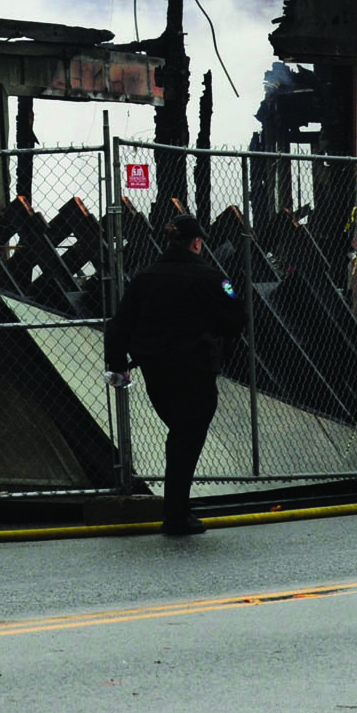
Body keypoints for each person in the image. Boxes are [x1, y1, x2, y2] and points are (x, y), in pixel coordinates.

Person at [104, 213, 245, 536]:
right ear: (197, 242)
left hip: (155, 369)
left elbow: (120, 325)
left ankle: (176, 509)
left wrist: (117, 364)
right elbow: (236, 318)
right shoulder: (210, 277)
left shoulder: (144, 277)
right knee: (187, 435)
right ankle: (176, 514)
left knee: (179, 434)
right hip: (194, 369)